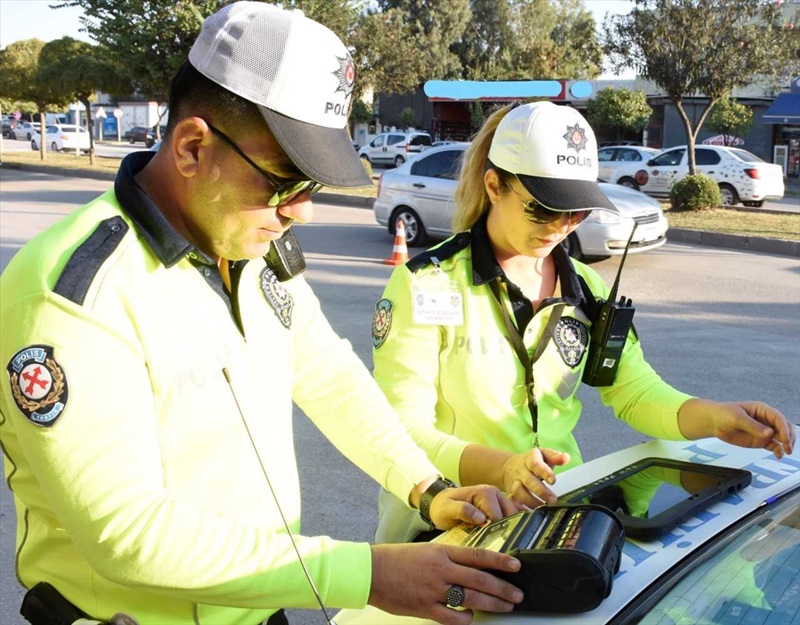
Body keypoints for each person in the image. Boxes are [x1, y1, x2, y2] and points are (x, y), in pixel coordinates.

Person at [0, 4, 527, 625]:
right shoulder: (72, 295)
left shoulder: (249, 243)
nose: (301, 213)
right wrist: (367, 574)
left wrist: (427, 488)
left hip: (260, 601)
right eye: (284, 181)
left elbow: (327, 374)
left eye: (314, 189)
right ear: (193, 146)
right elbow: (127, 530)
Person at [370, 101, 796, 543]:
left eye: (576, 212)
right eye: (542, 209)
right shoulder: (426, 285)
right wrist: (502, 467)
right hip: (447, 522)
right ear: (494, 185)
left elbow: (634, 391)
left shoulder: (587, 289)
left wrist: (716, 417)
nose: (560, 227)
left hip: (556, 513)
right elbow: (403, 431)